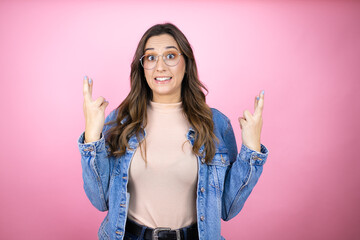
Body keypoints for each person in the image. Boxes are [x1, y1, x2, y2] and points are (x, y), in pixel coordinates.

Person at [78, 23, 269, 240]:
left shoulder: (215, 124)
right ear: (142, 67)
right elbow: (100, 200)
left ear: (186, 63)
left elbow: (227, 208)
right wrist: (92, 137)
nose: (160, 66)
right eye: (150, 58)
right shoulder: (120, 121)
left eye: (170, 56)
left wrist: (251, 150)